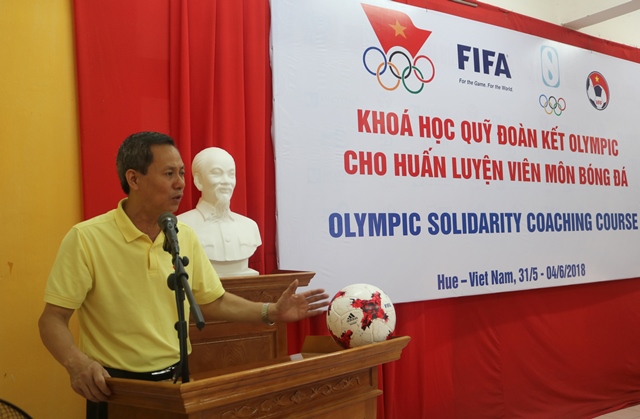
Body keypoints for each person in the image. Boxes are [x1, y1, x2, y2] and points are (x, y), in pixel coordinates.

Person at [37, 131, 329, 419]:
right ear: (134, 179)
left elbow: (213, 301)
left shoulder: (183, 234)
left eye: (181, 173)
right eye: (168, 174)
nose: (180, 184)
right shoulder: (87, 238)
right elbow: (52, 319)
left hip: (178, 381)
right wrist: (76, 363)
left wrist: (271, 311)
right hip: (116, 388)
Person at [178, 147, 261, 277]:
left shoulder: (250, 226)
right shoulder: (180, 225)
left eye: (231, 174)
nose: (226, 181)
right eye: (217, 173)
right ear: (199, 181)